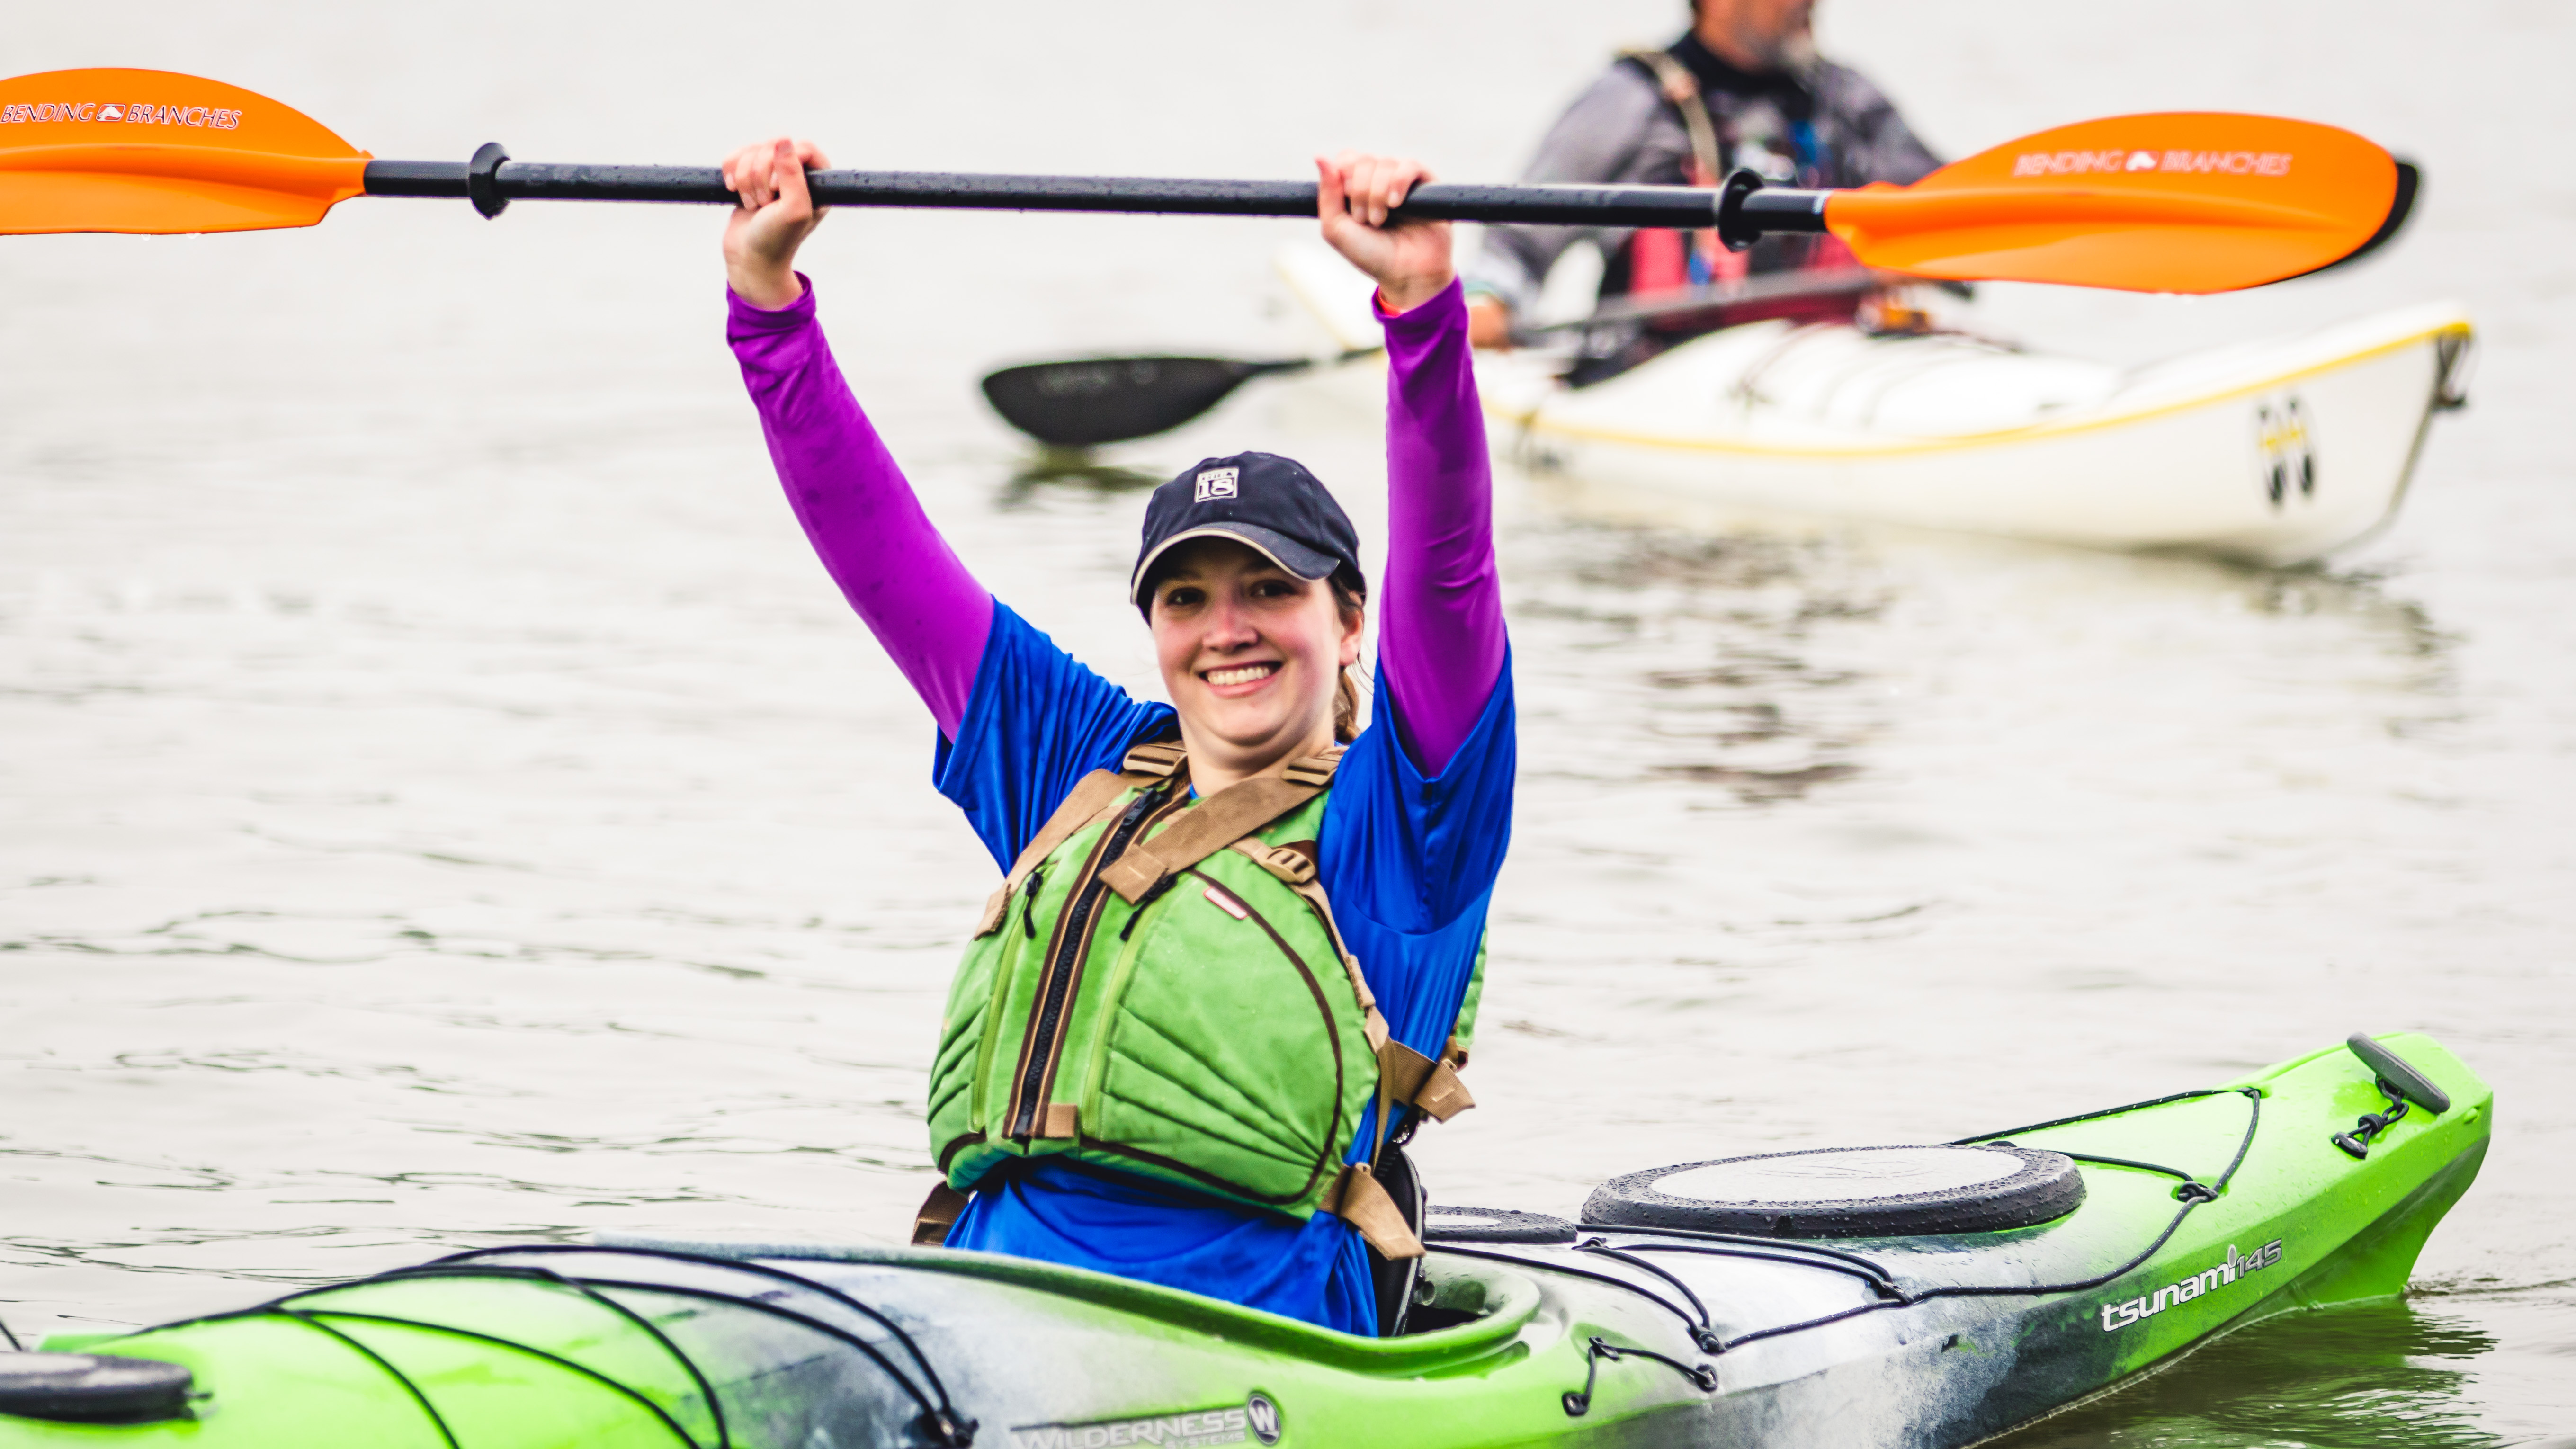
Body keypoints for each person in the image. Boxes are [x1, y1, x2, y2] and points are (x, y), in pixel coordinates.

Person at [719, 139, 1512, 1337]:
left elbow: (1449, 575)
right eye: (1185, 597)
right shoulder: (1075, 763)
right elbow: (878, 551)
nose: (1227, 629)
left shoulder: (1406, 824)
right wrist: (767, 305)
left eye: (1271, 589)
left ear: (1349, 620)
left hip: (1241, 1347)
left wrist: (1419, 316)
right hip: (976, 1312)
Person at [1464, 0, 1942, 369]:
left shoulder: (1844, 98)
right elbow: (1516, 243)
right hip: (1661, 363)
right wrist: (1488, 301)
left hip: (1829, 351)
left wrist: (1919, 249)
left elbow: (1939, 204)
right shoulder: (1631, 100)